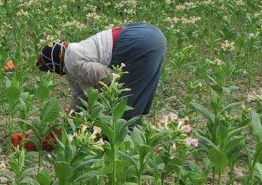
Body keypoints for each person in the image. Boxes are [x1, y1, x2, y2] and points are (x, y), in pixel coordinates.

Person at [37, 23, 167, 120]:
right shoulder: (76, 50)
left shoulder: (73, 63)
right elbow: (80, 96)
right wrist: (71, 119)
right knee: (140, 93)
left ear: (57, 64)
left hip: (134, 43)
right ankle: (136, 127)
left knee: (123, 106)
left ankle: (123, 143)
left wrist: (101, 104)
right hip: (149, 32)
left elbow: (108, 78)